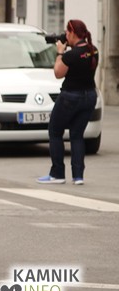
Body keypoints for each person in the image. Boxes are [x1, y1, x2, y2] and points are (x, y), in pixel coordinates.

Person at [37, 19, 99, 186]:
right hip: (89, 96)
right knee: (77, 135)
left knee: (55, 131)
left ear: (72, 33)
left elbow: (58, 73)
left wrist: (60, 52)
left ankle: (57, 174)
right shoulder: (93, 50)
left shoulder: (71, 55)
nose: (65, 35)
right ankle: (78, 176)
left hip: (70, 97)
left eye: (67, 32)